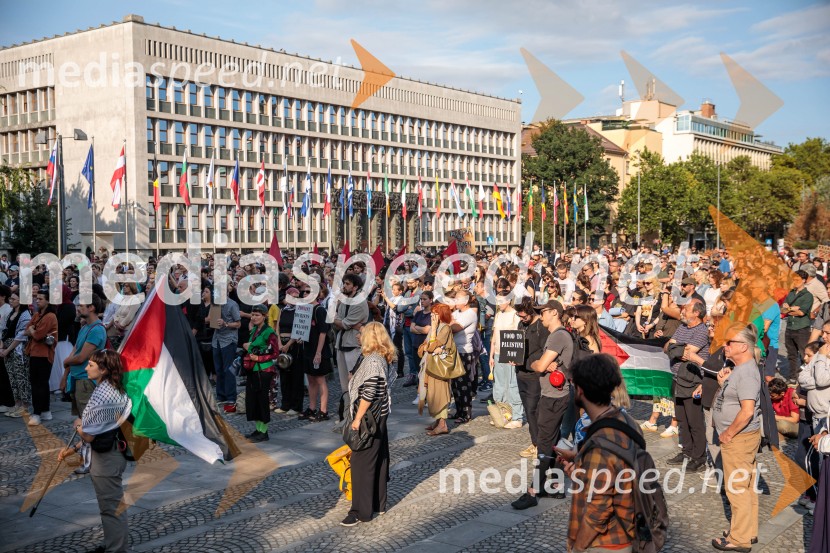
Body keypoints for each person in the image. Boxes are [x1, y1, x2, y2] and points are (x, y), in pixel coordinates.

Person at [560, 354, 640, 553]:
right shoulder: (627, 421)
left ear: (580, 390)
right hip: (626, 533)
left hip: (604, 543)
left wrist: (577, 548)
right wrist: (579, 466)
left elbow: (598, 511)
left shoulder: (600, 442)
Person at [58, 350, 131, 553]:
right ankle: (112, 545)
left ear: (104, 369)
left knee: (111, 508)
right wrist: (72, 450)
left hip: (107, 459)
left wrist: (78, 424)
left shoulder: (104, 395)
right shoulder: (109, 388)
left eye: (91, 364)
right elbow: (100, 431)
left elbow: (89, 436)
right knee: (108, 507)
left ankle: (116, 549)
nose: (86, 367)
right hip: (108, 453)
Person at [512, 300, 571, 510]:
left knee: (544, 443)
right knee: (553, 440)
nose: (541, 315)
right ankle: (554, 485)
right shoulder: (557, 335)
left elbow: (540, 366)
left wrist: (537, 364)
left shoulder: (558, 336)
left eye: (543, 312)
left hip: (553, 397)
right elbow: (542, 365)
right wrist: (540, 364)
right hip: (552, 395)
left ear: (554, 313)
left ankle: (533, 490)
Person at [711, 324, 762, 552]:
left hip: (739, 438)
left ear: (743, 346)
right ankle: (746, 530)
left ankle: (739, 539)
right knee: (747, 486)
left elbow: (747, 410)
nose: (725, 346)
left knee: (737, 488)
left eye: (729, 342)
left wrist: (728, 433)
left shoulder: (748, 373)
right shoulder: (740, 369)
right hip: (740, 438)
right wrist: (723, 384)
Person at [340, 322, 393, 527]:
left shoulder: (372, 361)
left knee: (361, 464)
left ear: (370, 337)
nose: (357, 337)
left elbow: (369, 393)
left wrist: (357, 418)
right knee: (378, 460)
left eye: (361, 334)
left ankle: (360, 511)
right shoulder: (381, 357)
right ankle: (378, 504)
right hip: (380, 416)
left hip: (369, 416)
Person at [665, 299, 710, 472]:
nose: (682, 311)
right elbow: (668, 347)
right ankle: (687, 451)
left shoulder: (701, 331)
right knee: (681, 419)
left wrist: (675, 348)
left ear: (696, 313)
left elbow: (687, 353)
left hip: (692, 381)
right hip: (677, 378)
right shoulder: (683, 327)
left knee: (694, 421)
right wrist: (675, 348)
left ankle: (699, 457)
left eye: (686, 309)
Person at [515, 299, 550, 457]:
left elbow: (544, 351)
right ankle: (534, 441)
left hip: (534, 374)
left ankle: (539, 444)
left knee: (533, 409)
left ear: (531, 313)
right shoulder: (522, 324)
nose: (521, 319)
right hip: (520, 372)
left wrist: (528, 361)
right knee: (528, 411)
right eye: (519, 315)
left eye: (523, 316)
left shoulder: (541, 327)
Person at [242, 304, 279, 442]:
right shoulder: (255, 330)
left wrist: (258, 357)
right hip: (253, 369)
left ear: (264, 316)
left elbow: (275, 353)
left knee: (262, 400)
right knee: (253, 400)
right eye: (252, 315)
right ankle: (258, 429)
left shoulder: (269, 332)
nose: (254, 317)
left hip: (264, 369)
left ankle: (264, 432)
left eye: (257, 315)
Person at [418, 302, 455, 436]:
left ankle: (442, 424)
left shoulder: (444, 328)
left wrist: (433, 331)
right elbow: (425, 346)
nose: (432, 316)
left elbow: (432, 346)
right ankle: (437, 420)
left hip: (439, 368)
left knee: (439, 394)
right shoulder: (438, 326)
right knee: (431, 394)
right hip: (430, 366)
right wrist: (427, 347)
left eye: (435, 313)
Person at [489, 293, 523, 429]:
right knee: (499, 386)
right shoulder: (498, 314)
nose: (499, 303)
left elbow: (517, 337)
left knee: (512, 385)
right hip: (497, 353)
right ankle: (502, 414)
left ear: (509, 300)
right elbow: (494, 336)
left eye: (501, 300)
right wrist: (491, 355)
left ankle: (517, 416)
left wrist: (515, 356)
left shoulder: (515, 315)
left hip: (509, 354)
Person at [24, 291, 58, 425]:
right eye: (36, 299)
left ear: (48, 301)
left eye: (40, 299)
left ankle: (37, 413)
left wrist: (32, 330)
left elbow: (37, 335)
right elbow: (26, 330)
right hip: (34, 352)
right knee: (39, 383)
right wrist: (32, 331)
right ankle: (45, 411)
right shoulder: (37, 315)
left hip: (44, 354)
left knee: (40, 384)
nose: (37, 301)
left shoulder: (50, 316)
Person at [301, 284, 333, 422]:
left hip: (318, 350)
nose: (304, 294)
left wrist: (318, 353)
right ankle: (312, 408)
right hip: (308, 349)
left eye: (308, 292)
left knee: (320, 380)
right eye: (304, 292)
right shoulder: (306, 309)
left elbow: (323, 332)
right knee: (311, 380)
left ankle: (323, 410)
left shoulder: (320, 310)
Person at [334, 274, 370, 394]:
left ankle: (357, 408)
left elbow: (343, 323)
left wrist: (337, 320)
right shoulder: (345, 300)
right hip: (341, 344)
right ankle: (347, 407)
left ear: (355, 287)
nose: (344, 286)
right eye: (344, 283)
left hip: (354, 344)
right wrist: (340, 321)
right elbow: (339, 322)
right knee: (344, 383)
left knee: (355, 380)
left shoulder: (360, 302)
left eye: (347, 284)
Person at [448, 291, 479, 424]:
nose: (455, 302)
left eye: (458, 299)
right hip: (454, 351)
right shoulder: (456, 313)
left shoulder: (470, 313)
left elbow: (454, 327)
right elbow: (447, 323)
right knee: (455, 384)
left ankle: (466, 413)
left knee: (463, 384)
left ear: (465, 301)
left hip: (464, 351)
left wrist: (450, 322)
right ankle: (459, 411)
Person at [0, 291, 31, 418]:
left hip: (17, 349)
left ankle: (25, 406)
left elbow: (21, 336)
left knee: (20, 376)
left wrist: (8, 349)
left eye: (13, 299)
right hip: (7, 346)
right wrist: (2, 345)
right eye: (10, 299)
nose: (11, 301)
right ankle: (17, 404)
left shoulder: (25, 315)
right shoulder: (11, 313)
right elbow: (3, 329)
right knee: (12, 377)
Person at [274, 288, 305, 415]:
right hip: (282, 343)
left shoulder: (300, 310)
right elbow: (277, 328)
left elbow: (299, 329)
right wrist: (280, 343)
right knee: (284, 375)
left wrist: (288, 344)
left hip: (294, 345)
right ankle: (285, 404)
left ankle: (296, 406)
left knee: (296, 375)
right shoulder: (283, 310)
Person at [211, 287, 241, 413]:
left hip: (228, 340)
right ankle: (221, 395)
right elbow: (210, 319)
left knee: (228, 369)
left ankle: (230, 397)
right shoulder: (215, 304)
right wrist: (211, 320)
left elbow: (238, 323)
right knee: (218, 369)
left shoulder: (232, 305)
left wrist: (226, 324)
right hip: (216, 339)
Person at [783, 270, 814, 382]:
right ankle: (792, 377)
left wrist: (789, 309)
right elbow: (783, 309)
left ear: (804, 281)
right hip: (790, 326)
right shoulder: (791, 293)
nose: (794, 282)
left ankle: (805, 376)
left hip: (801, 328)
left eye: (797, 280)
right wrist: (793, 309)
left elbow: (801, 312)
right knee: (791, 355)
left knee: (804, 354)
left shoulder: (808, 295)